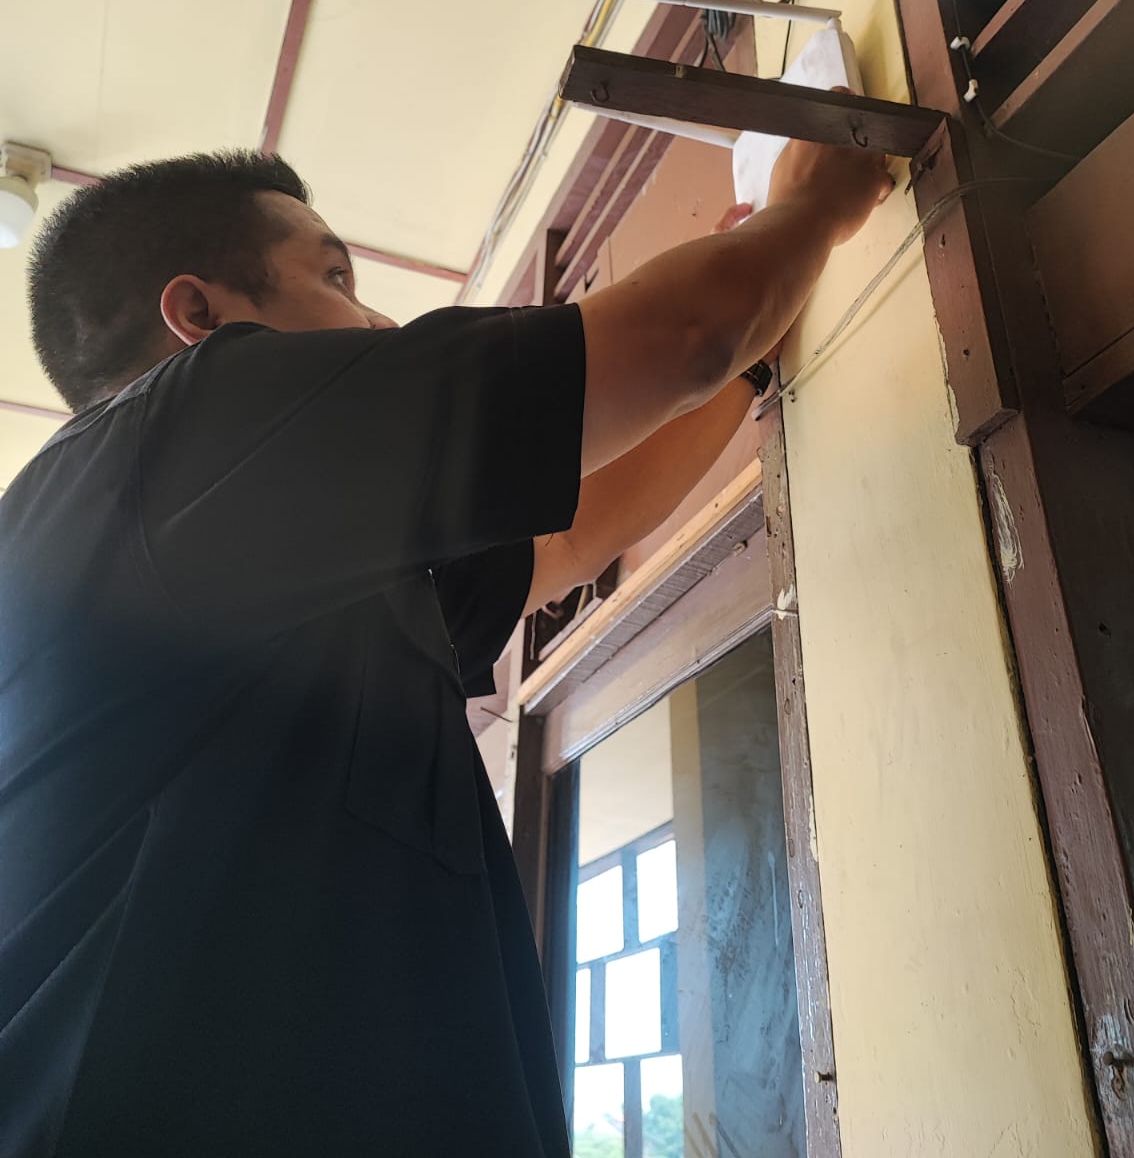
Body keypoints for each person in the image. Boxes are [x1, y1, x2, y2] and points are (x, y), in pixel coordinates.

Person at [0, 138, 889, 1155]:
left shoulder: (280, 578)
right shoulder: (161, 437)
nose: (379, 319)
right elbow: (685, 332)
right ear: (199, 317)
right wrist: (809, 211)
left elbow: (567, 541)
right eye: (335, 278)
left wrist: (756, 340)